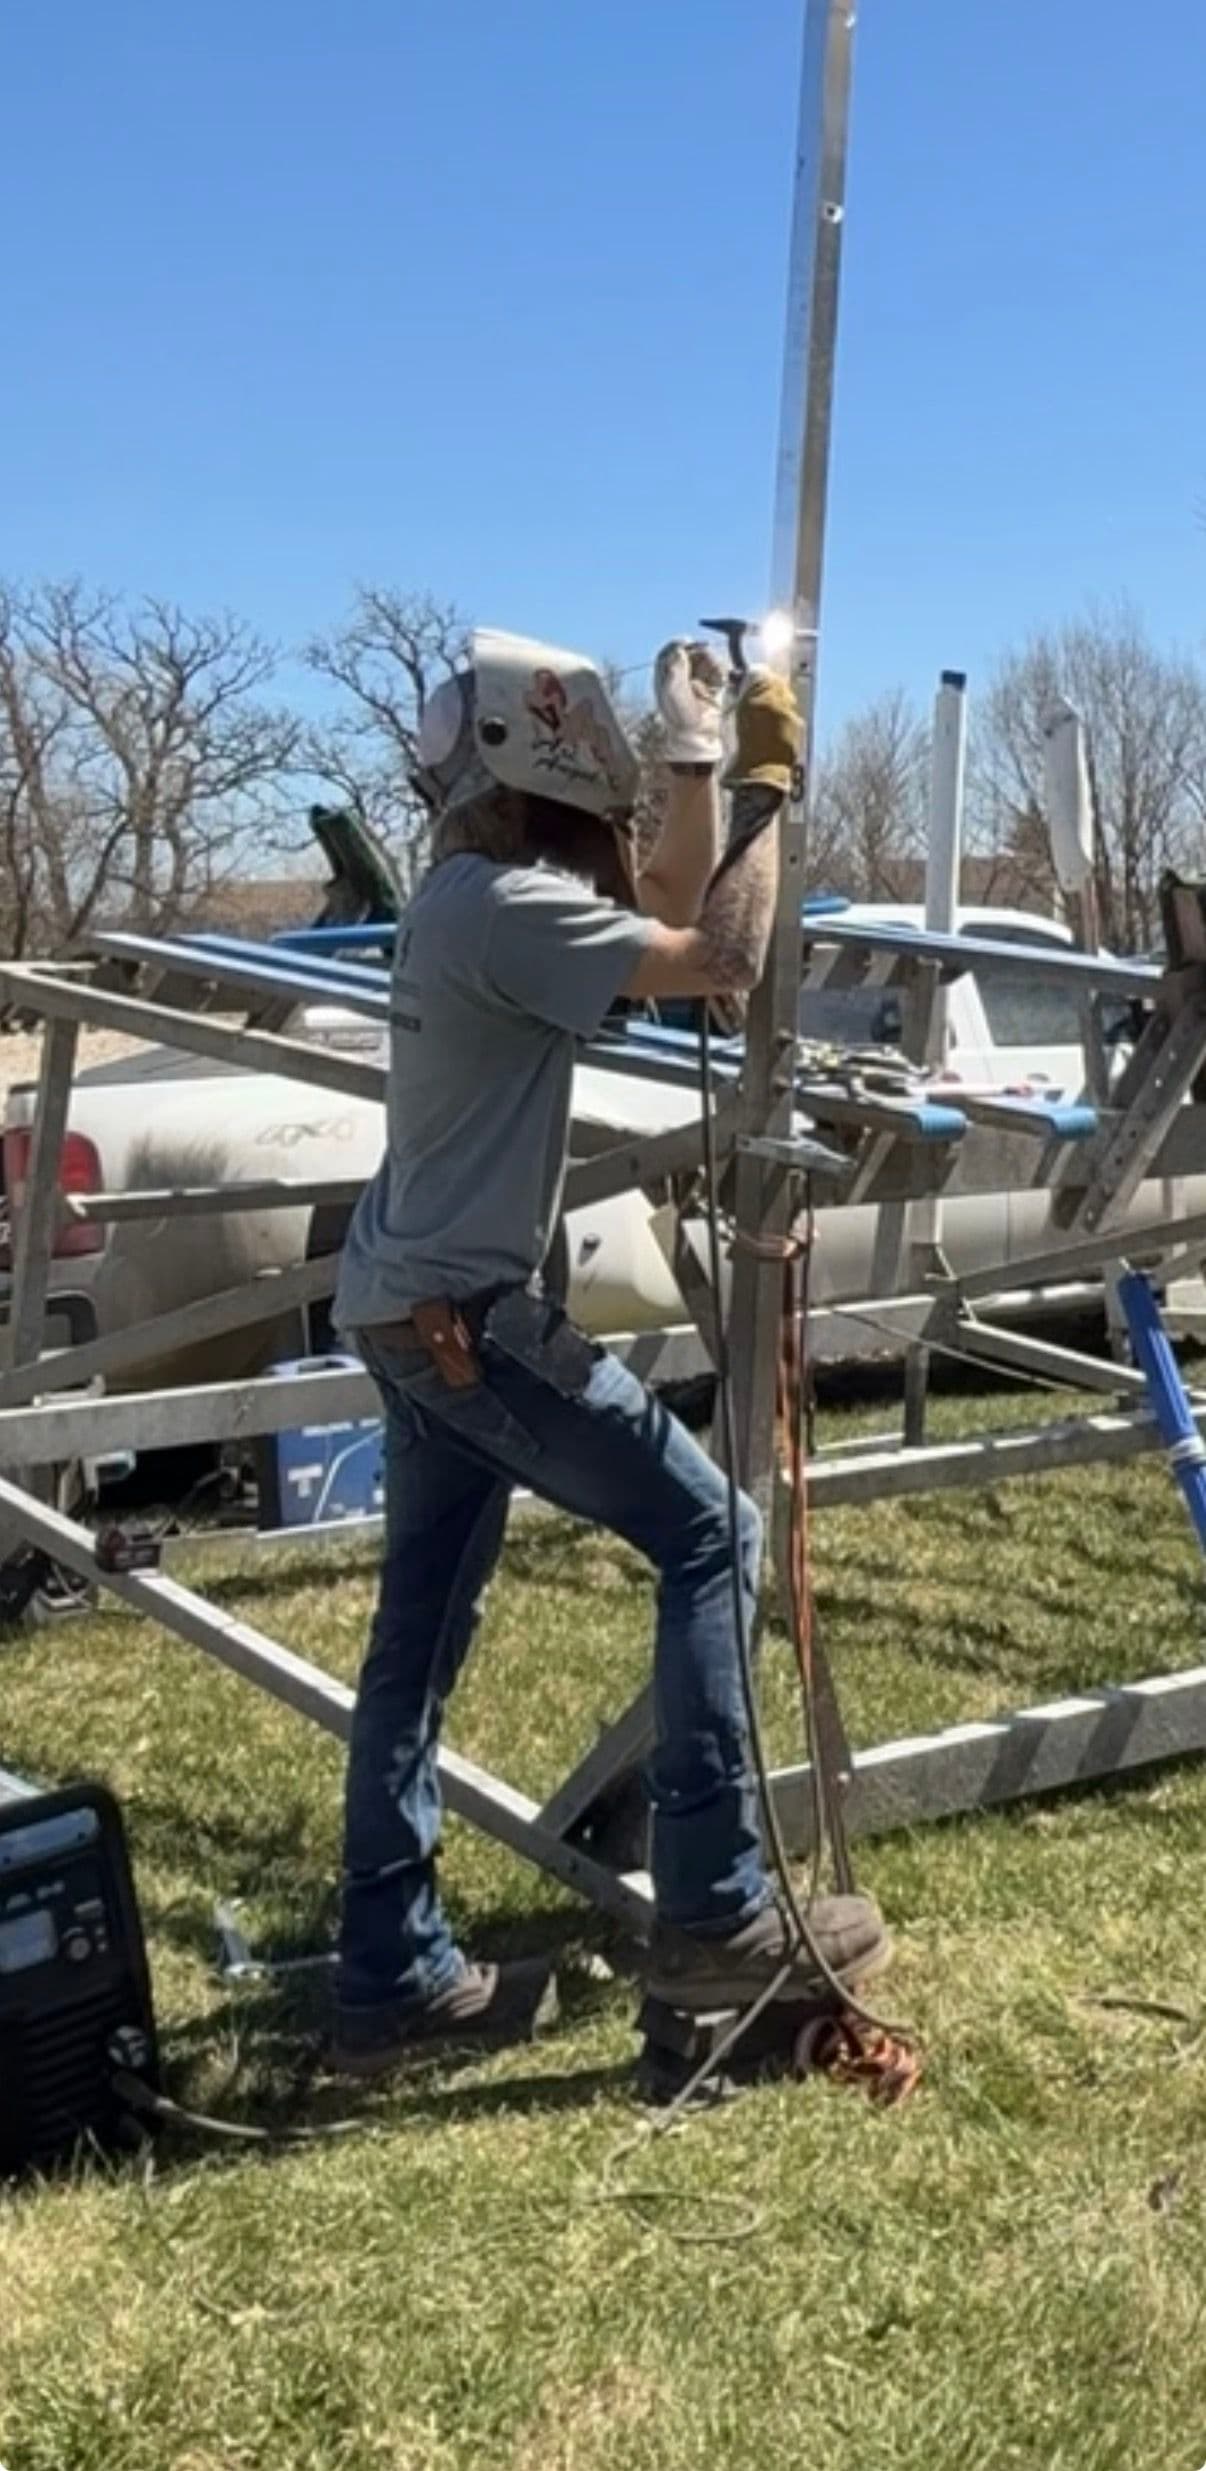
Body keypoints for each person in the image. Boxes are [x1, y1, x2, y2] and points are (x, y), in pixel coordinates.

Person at [329, 627, 889, 2075]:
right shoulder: (503, 907)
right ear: (550, 763)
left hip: (410, 1311)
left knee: (416, 1648)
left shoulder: (474, 899)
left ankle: (389, 1975)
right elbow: (714, 951)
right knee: (712, 1536)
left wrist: (696, 743)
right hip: (466, 1320)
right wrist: (765, 788)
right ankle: (715, 1908)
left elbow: (652, 897)